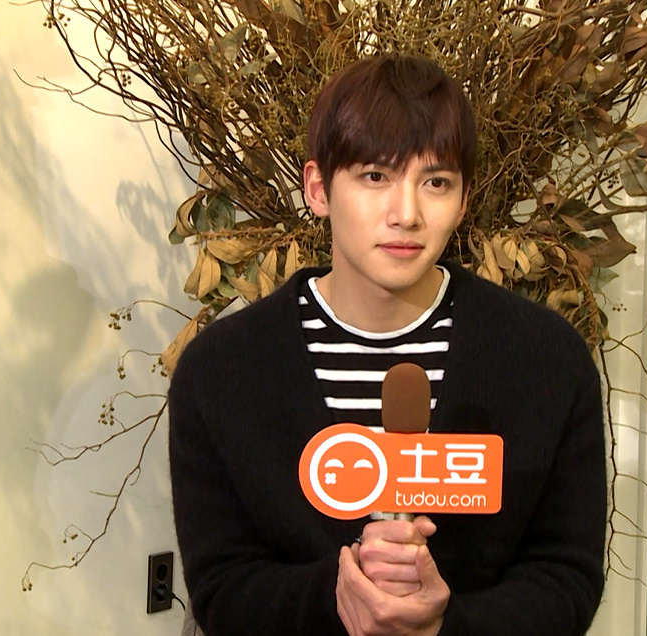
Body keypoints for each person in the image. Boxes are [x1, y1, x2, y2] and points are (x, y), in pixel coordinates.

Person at [169, 54, 607, 636]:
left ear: (465, 199)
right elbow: (220, 588)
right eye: (375, 176)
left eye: (436, 183)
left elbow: (567, 578)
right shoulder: (220, 371)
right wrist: (338, 592)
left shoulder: (547, 360)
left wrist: (446, 625)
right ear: (319, 189)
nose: (406, 214)